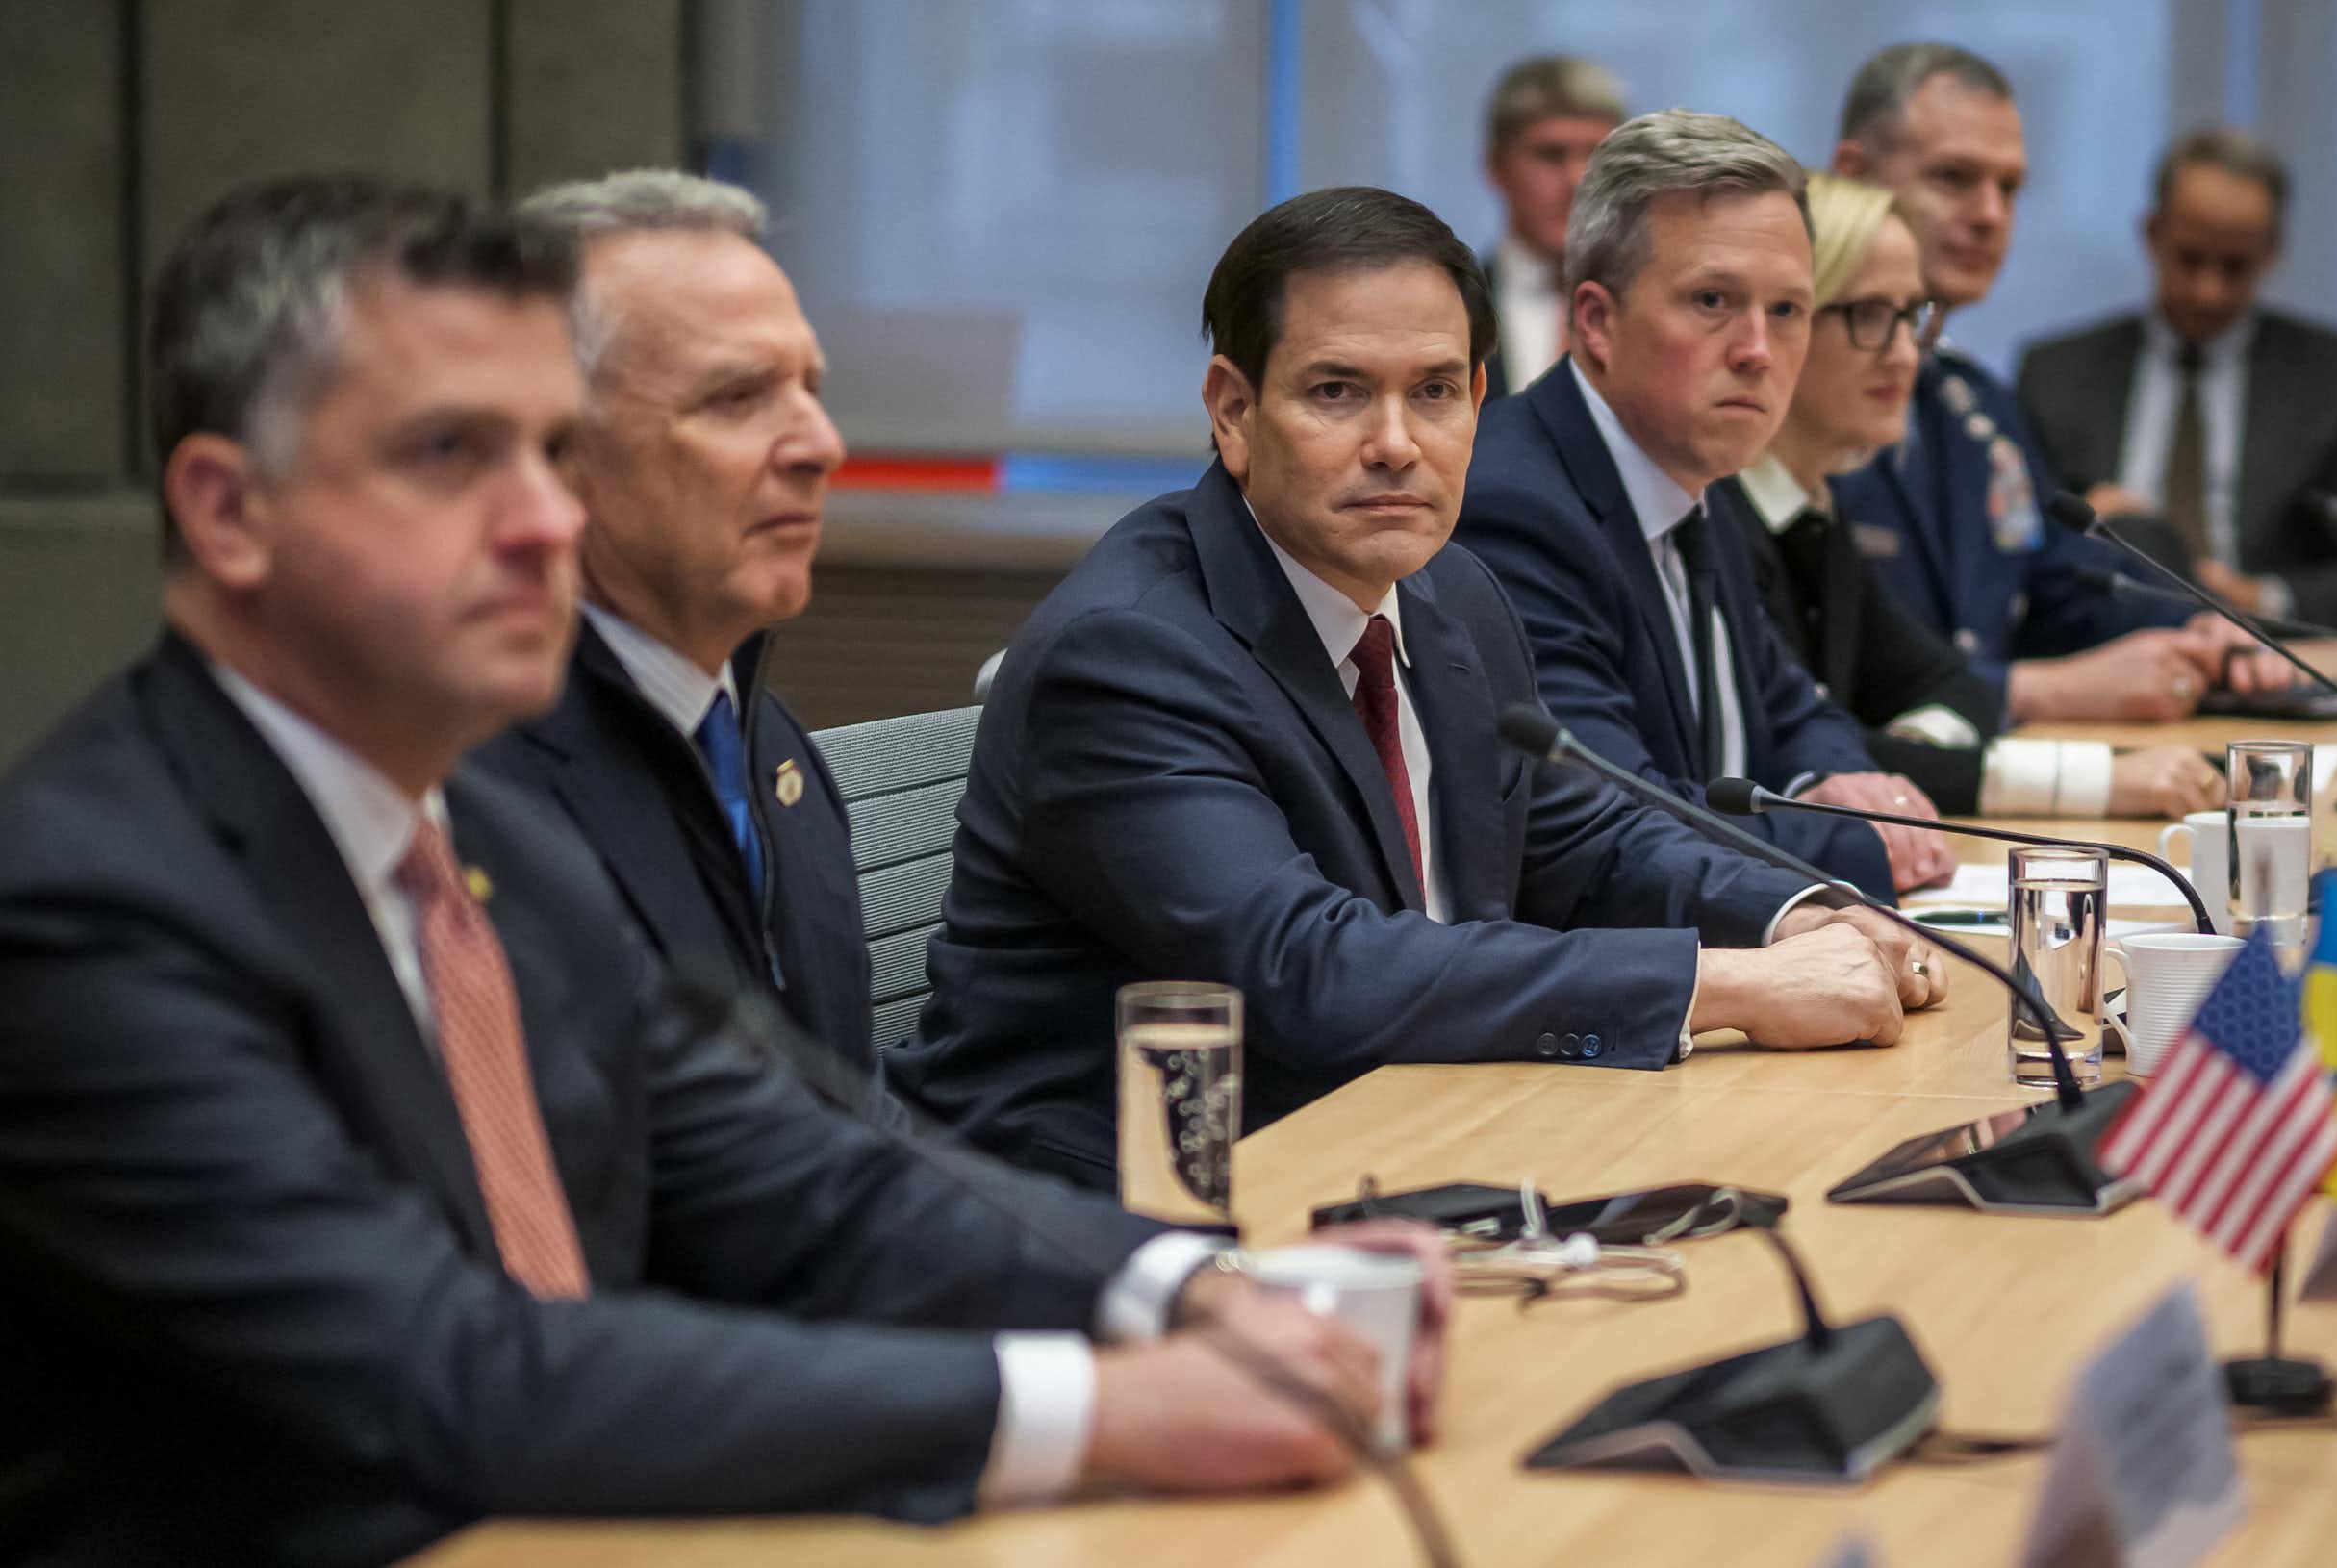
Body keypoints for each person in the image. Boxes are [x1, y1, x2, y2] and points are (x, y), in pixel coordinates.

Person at [0, 174, 1448, 1568]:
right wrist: (1096, 1408)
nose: (543, 519)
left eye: (549, 452)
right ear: (229, 513)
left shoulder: (475, 841)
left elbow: (803, 1174)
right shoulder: (89, 907)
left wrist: (1197, 1287)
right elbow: (456, 1371)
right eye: (453, 454)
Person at [890, 185, 1943, 1192]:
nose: (1395, 445)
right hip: (1124, 1206)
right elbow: (1307, 969)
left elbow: (1584, 846)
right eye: (1337, 391)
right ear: (1234, 410)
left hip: (1413, 1137)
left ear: (1478, 402)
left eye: (1433, 392)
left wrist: (1799, 915)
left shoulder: (1450, 596)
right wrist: (1725, 985)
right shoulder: (1129, 652)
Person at [1457, 109, 1956, 899]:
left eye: (1787, 310)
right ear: (1597, 322)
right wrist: (1855, 842)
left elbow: (1796, 708)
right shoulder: (1517, 509)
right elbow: (1605, 827)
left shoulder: (1697, 476)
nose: (1758, 351)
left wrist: (1843, 783)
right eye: (1714, 300)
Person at [473, 171, 872, 1089]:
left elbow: (849, 1114)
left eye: (811, 387)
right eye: (737, 397)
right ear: (554, 450)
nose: (821, 445)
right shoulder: (473, 789)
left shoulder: (772, 743)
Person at [1721, 173, 2224, 820]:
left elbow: (1945, 688)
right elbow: (1786, 757)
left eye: (1913, 316)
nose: (1905, 355)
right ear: (1781, 324)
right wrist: (2096, 780)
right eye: (1869, 316)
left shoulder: (1811, 512)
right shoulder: (1721, 521)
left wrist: (1913, 752)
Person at [1825, 43, 2282, 723]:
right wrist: (2042, 692)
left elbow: (2060, 591)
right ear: (1854, 175)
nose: (1990, 214)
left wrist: (2198, 631)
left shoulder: (1978, 407)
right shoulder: (1790, 399)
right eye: (1954, 177)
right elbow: (1818, 681)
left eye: (2010, 188)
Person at [2017, 127, 2337, 630]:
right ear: (2151, 233)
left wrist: (2262, 598)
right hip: (2101, 639)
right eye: (2190, 258)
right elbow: (2010, 540)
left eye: (2234, 266)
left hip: (2270, 646)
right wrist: (2082, 532)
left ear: (2272, 250)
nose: (2208, 291)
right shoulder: (2055, 374)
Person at [1481, 55, 1628, 396]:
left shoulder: (1658, 308)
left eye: (1596, 155)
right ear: (1497, 167)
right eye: (1550, 154)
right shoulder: (1453, 305)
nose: (1576, 178)